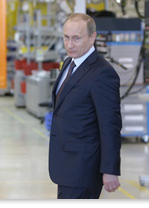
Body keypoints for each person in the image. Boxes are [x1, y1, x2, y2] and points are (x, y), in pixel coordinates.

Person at [48, 13, 122, 199]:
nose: (70, 44)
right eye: (66, 37)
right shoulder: (68, 64)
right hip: (66, 164)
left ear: (92, 38)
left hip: (84, 168)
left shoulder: (102, 73)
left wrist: (110, 169)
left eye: (76, 38)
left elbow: (110, 125)